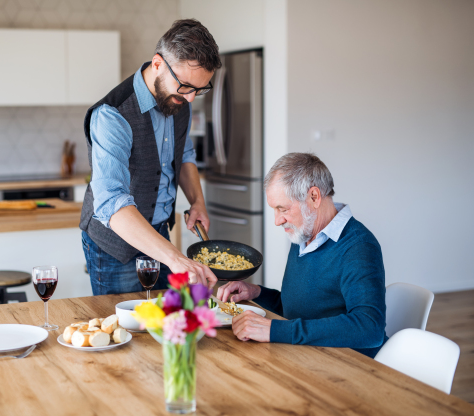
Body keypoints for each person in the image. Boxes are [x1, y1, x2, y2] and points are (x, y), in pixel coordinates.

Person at [80, 19, 221, 295]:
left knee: (163, 325)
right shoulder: (112, 115)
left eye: (200, 89)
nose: (192, 98)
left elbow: (184, 153)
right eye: (185, 86)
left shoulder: (180, 98)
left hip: (159, 235)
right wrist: (176, 258)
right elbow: (111, 203)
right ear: (158, 64)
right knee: (126, 331)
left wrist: (198, 201)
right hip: (115, 246)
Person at [217, 153, 387, 358]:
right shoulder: (303, 235)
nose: (277, 220)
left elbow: (369, 328)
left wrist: (273, 330)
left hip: (349, 366)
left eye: (283, 209)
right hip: (307, 355)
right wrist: (256, 293)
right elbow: (298, 311)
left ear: (314, 197)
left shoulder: (358, 246)